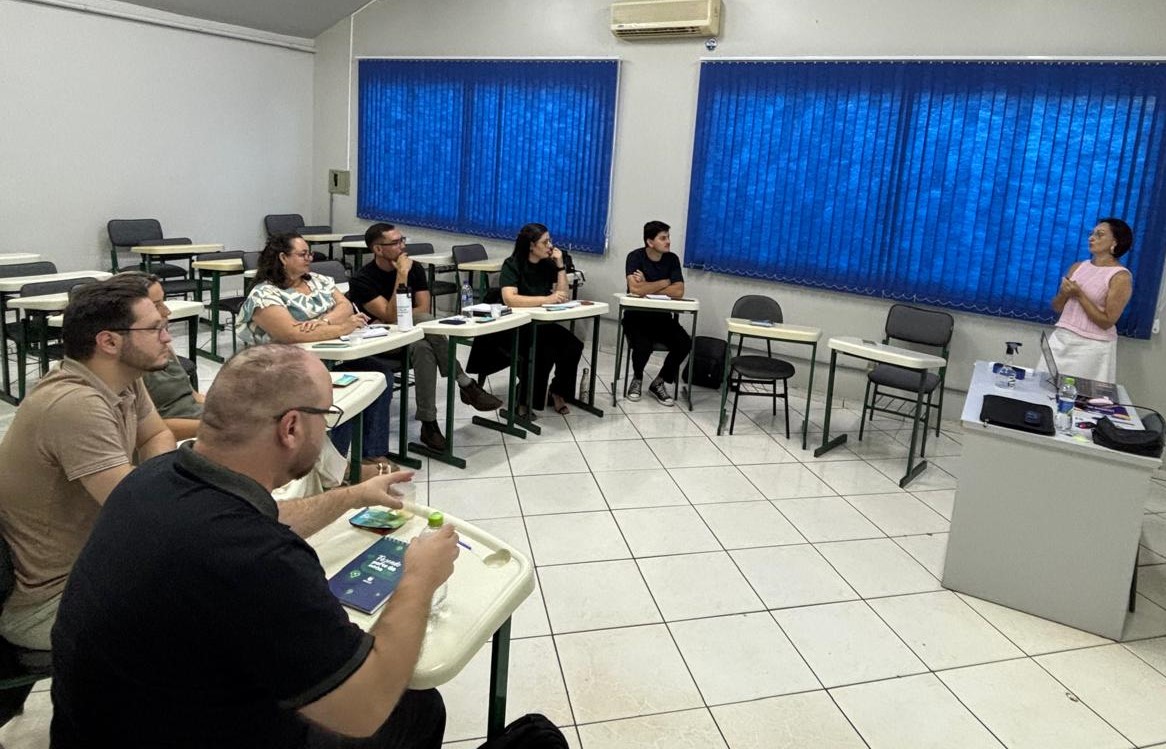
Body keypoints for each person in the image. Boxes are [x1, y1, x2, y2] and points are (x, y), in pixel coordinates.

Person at [50, 344, 458, 748]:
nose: (326, 429)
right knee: (417, 709)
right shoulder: (260, 559)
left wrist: (353, 495)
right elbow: (365, 709)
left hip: (99, 726)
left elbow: (262, 517)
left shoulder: (153, 477)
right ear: (291, 428)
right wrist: (420, 578)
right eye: (326, 417)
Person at [0, 276, 177, 651]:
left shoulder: (122, 377)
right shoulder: (76, 405)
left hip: (101, 560)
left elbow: (156, 436)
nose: (167, 337)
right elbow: (143, 515)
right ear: (109, 342)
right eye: (155, 328)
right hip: (53, 601)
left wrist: (156, 486)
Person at [238, 232, 393, 467]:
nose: (309, 258)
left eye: (309, 253)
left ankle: (372, 453)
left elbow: (345, 306)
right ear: (283, 258)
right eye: (302, 254)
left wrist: (324, 322)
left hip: (330, 355)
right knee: (337, 389)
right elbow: (291, 334)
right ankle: (334, 467)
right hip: (285, 366)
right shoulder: (263, 294)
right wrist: (342, 328)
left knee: (380, 375)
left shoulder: (318, 281)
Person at [348, 223, 502, 452]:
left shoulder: (416, 268)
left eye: (402, 240)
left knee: (423, 348)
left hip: (412, 335)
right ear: (378, 249)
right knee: (424, 323)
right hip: (380, 341)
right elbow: (391, 315)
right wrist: (401, 275)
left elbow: (423, 308)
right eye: (395, 243)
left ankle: (429, 424)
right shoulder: (363, 278)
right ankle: (465, 383)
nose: (402, 246)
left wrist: (398, 316)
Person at [499, 223, 583, 415]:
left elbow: (562, 295)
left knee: (573, 346)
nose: (550, 246)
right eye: (545, 242)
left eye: (550, 241)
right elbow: (510, 299)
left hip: (542, 324)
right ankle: (524, 402)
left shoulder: (547, 264)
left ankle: (557, 391)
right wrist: (546, 299)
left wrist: (560, 266)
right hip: (518, 326)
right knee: (543, 352)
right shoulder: (512, 264)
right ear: (531, 245)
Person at [1046, 217, 1134, 383]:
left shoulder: (1120, 277)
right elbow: (1057, 307)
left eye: (1099, 234)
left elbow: (1107, 322)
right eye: (1092, 234)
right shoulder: (1078, 267)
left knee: (1080, 395)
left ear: (1115, 242)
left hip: (1091, 347)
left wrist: (1080, 295)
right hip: (1061, 338)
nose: (1091, 238)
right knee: (1045, 388)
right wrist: (1065, 294)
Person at [623, 220, 691, 406]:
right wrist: (664, 282)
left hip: (662, 318)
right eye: (663, 238)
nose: (668, 241)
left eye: (668, 237)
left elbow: (679, 291)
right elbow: (635, 289)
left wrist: (647, 285)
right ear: (650, 242)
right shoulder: (635, 257)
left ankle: (659, 381)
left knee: (684, 342)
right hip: (636, 316)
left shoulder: (672, 259)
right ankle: (637, 378)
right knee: (643, 345)